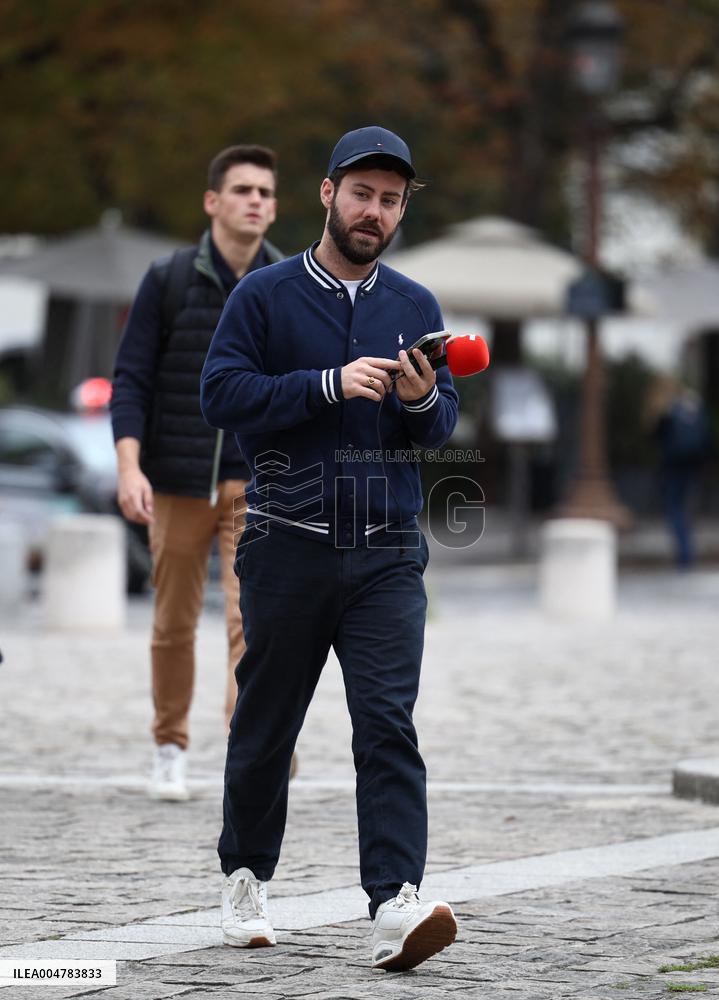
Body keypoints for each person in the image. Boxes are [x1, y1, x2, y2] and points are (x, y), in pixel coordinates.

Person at [201, 126, 460, 971]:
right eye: (361, 195)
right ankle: (243, 874)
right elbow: (220, 393)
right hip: (285, 543)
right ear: (326, 193)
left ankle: (394, 902)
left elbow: (443, 424)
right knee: (267, 725)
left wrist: (422, 399)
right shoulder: (265, 296)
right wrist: (324, 384)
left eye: (389, 201)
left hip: (386, 551)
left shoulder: (416, 305)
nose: (373, 213)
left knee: (386, 724)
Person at [110, 145, 282, 801]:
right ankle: (169, 746)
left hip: (260, 481)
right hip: (177, 478)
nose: (256, 202)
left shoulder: (286, 282)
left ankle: (253, 746)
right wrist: (130, 468)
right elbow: (131, 379)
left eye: (265, 192)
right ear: (213, 202)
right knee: (173, 623)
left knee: (257, 624)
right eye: (242, 190)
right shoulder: (169, 277)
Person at [646, 376, 712, 569]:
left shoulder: (667, 408)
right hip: (691, 464)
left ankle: (684, 554)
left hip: (673, 465)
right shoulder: (693, 405)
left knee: (674, 508)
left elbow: (655, 436)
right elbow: (705, 437)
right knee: (682, 507)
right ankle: (686, 552)